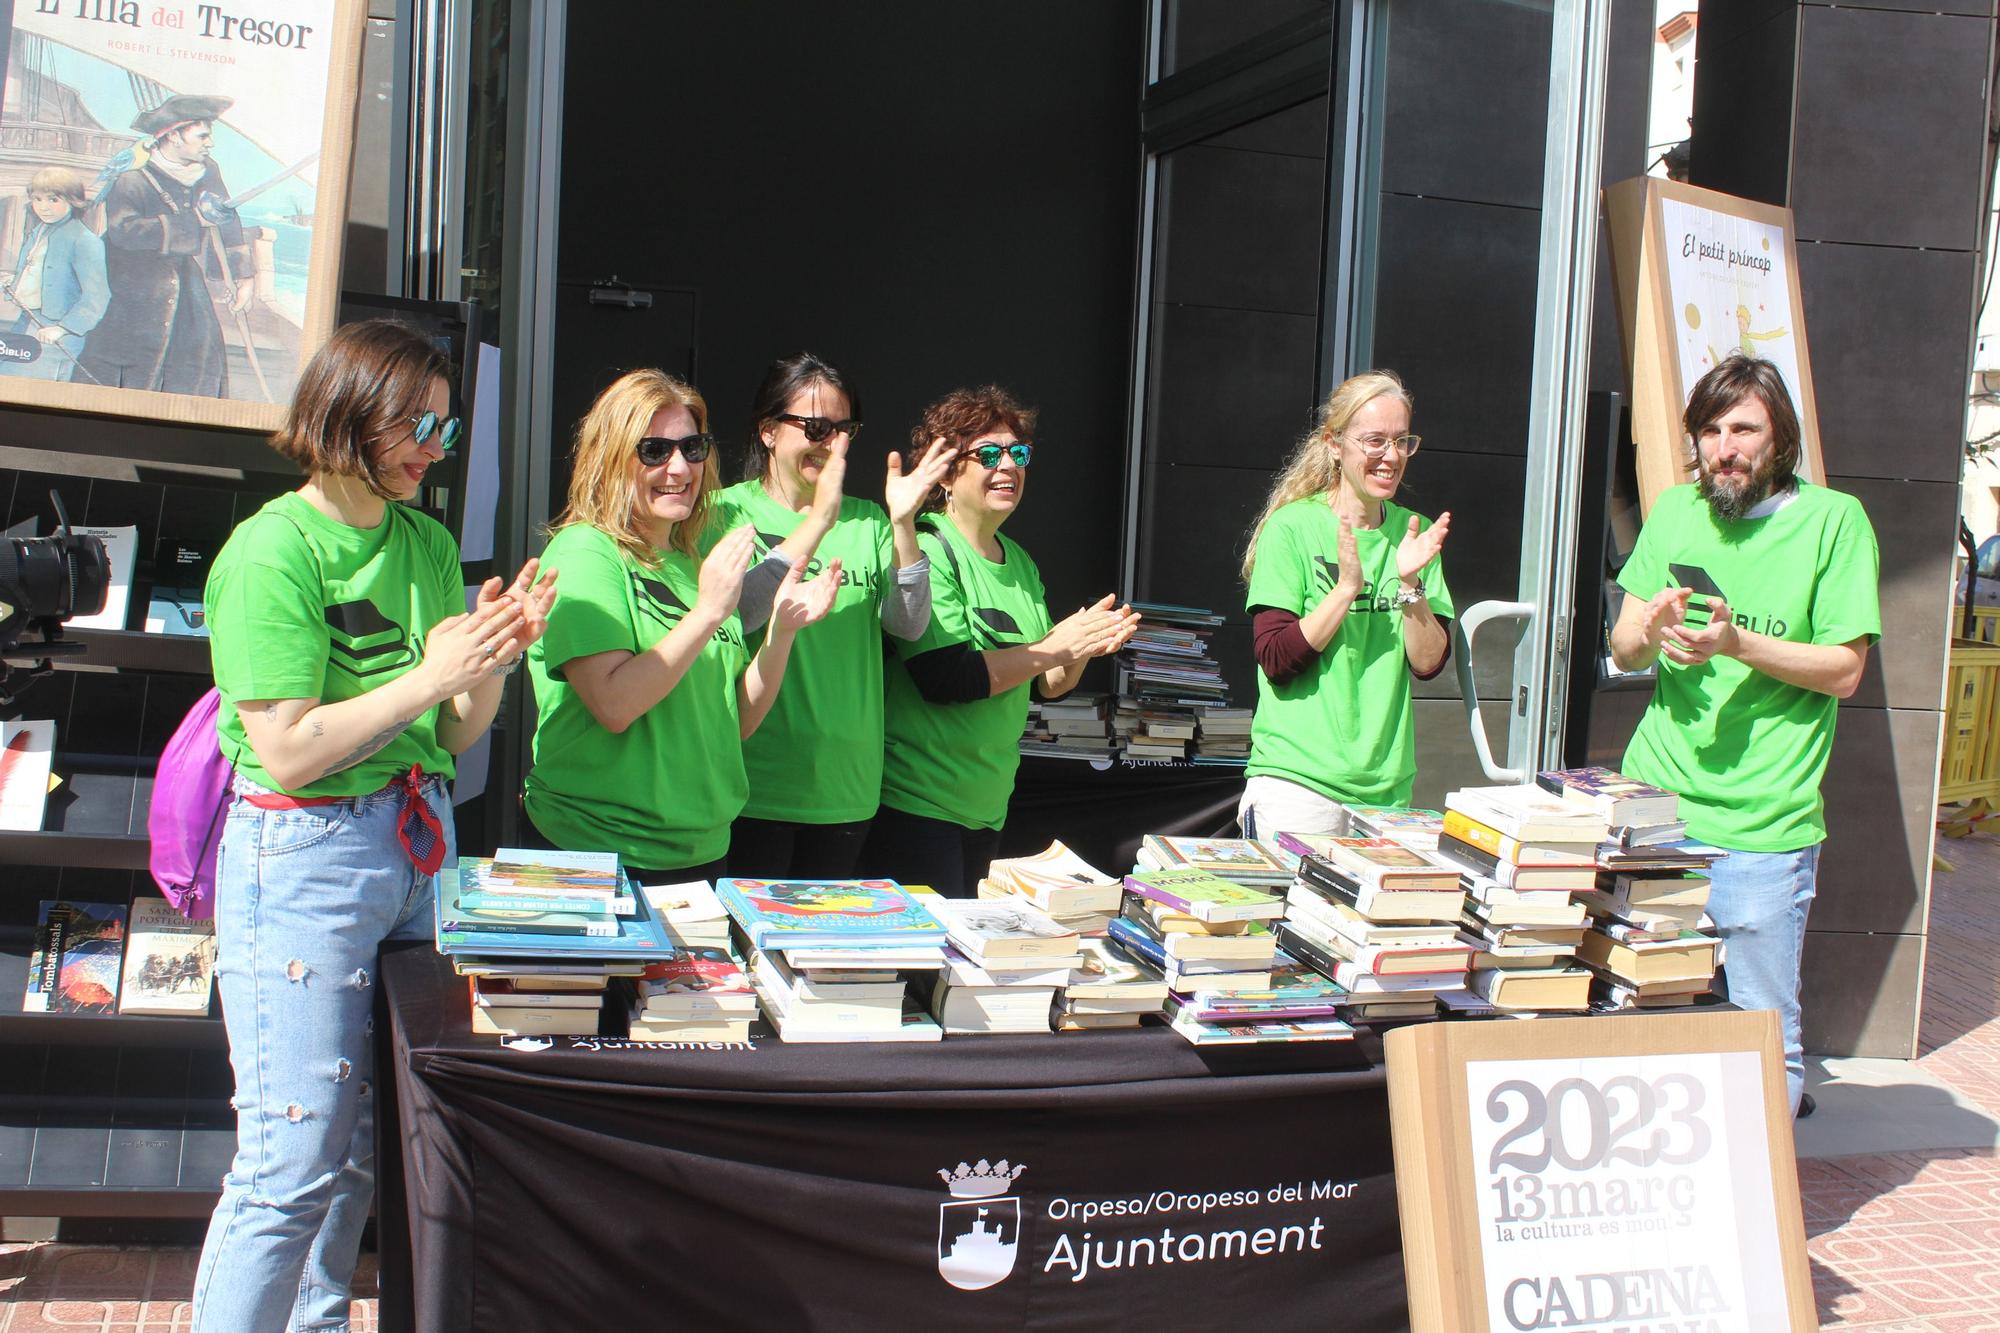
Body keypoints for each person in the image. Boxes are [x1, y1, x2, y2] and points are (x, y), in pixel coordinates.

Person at [192, 319, 556, 1331]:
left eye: (444, 425)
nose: (434, 448)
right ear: (347, 409)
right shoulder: (272, 549)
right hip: (304, 854)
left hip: (411, 847)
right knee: (288, 1158)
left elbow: (454, 731)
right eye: (416, 423)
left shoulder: (425, 542)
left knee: (356, 1147)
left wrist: (489, 660)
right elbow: (291, 746)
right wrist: (430, 673)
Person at [1609, 354, 1879, 1116]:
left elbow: (1844, 669)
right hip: (1653, 814)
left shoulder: (1834, 522)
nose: (1724, 447)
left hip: (1762, 826)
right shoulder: (1675, 511)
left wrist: (1737, 645)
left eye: (1743, 429)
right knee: (1635, 1010)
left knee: (1761, 1032)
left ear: (1779, 437)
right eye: (1710, 431)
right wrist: (1649, 632)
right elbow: (1625, 643)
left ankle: (1760, 1224)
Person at [523, 368, 839, 882]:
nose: (679, 467)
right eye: (654, 451)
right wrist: (708, 612)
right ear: (610, 459)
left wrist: (780, 633)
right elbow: (614, 705)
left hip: (700, 850)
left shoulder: (694, 562)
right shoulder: (586, 550)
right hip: (597, 852)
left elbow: (731, 723)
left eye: (693, 448)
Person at [868, 385, 1139, 896]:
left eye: (1019, 453)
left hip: (987, 807)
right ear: (946, 473)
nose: (1008, 466)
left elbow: (1046, 686)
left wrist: (1081, 644)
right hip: (914, 806)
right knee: (925, 969)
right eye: (989, 454)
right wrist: (1055, 647)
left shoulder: (1019, 560)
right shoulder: (925, 547)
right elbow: (946, 678)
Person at [708, 353, 954, 877]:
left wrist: (905, 524)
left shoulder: (868, 521)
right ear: (769, 431)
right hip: (753, 783)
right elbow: (734, 616)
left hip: (847, 790)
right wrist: (817, 521)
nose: (833, 443)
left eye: (846, 429)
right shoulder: (723, 514)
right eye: (817, 427)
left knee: (826, 957)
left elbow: (906, 625)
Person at [1237, 369, 1453, 838]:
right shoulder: (1292, 528)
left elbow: (1429, 664)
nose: (1390, 457)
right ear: (1335, 445)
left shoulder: (1414, 534)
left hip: (1386, 794)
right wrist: (1344, 589)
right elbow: (1276, 659)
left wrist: (1411, 584)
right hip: (1298, 786)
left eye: (1402, 441)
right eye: (1375, 441)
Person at [78, 93, 255, 395]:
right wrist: (193, 222)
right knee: (123, 369)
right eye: (202, 136)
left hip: (185, 284)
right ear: (173, 135)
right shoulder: (131, 178)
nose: (209, 143)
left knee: (198, 359)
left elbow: (225, 215)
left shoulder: (207, 169)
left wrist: (244, 276)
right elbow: (124, 231)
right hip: (130, 286)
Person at [0, 166, 108, 381]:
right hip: (27, 320)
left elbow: (97, 298)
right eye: (37, 199)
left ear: (73, 201)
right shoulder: (39, 231)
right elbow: (41, 272)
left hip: (56, 331)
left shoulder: (85, 241)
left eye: (53, 200)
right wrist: (15, 282)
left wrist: (62, 328)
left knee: (30, 386)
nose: (44, 207)